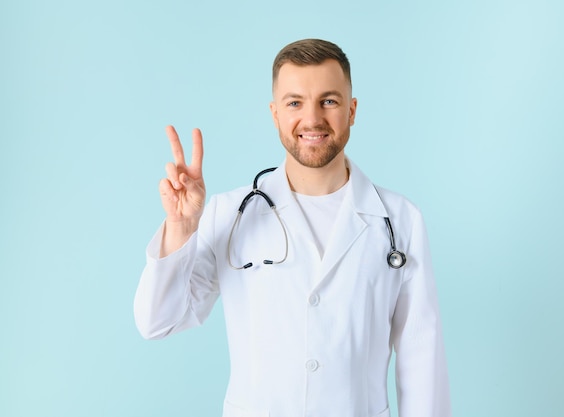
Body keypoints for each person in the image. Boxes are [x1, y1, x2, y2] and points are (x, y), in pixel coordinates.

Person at [134, 38, 451, 417]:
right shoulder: (228, 213)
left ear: (352, 110)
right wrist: (181, 227)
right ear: (275, 114)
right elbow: (158, 322)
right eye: (295, 102)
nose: (313, 118)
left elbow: (421, 360)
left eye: (329, 101)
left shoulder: (400, 221)